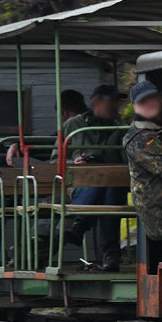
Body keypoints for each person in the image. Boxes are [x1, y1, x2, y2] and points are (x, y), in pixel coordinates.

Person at [64, 83, 128, 271]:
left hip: (112, 185)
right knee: (100, 184)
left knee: (110, 187)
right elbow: (56, 159)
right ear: (97, 101)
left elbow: (126, 162)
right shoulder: (73, 125)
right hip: (81, 186)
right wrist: (75, 162)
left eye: (117, 102)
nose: (116, 106)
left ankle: (80, 225)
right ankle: (111, 254)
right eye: (112, 101)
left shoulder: (120, 130)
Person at [124, 80, 162, 272]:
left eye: (152, 98)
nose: (150, 103)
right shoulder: (139, 139)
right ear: (135, 106)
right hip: (158, 213)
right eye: (143, 101)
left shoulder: (158, 129)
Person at [5, 89, 87, 165]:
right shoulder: (91, 122)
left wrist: (19, 143)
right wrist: (19, 142)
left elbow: (49, 144)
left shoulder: (69, 127)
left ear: (64, 112)